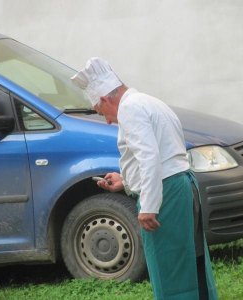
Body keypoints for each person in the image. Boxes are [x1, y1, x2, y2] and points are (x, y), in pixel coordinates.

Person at [71, 57, 218, 300]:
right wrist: (126, 182)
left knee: (169, 269)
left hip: (166, 193)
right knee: (190, 262)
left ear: (106, 99)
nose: (107, 120)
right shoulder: (149, 102)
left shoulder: (129, 109)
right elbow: (161, 155)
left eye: (101, 112)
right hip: (180, 186)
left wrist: (149, 206)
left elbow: (149, 157)